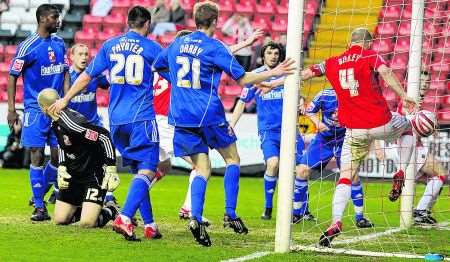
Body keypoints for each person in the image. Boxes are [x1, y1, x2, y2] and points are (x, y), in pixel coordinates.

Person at [152, 1, 295, 246]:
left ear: (196, 20)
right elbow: (244, 79)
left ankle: (195, 217)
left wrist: (177, 82)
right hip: (208, 115)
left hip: (181, 116)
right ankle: (229, 212)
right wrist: (275, 71)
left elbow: (157, 65)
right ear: (215, 22)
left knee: (202, 169)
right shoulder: (214, 46)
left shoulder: (177, 43)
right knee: (232, 159)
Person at [49, 6, 163, 241]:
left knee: (138, 171)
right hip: (141, 117)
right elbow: (175, 74)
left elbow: (86, 76)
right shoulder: (152, 48)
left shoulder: (110, 45)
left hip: (117, 122)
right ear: (147, 25)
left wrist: (65, 99)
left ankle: (150, 224)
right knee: (149, 168)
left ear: (128, 22)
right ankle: (124, 217)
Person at [300, 27, 418, 246]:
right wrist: (404, 96)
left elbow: (306, 74)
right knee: (410, 128)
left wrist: (277, 82)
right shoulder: (370, 54)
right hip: (381, 122)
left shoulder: (332, 62)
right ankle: (400, 170)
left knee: (345, 176)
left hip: (354, 130)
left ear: (350, 41)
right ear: (368, 43)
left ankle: (335, 222)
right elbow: (385, 72)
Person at [151, 29, 264, 220]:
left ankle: (128, 205)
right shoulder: (183, 71)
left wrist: (245, 43)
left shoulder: (173, 63)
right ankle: (189, 209)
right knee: (201, 167)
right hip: (168, 123)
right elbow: (212, 55)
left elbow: (214, 53)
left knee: (161, 166)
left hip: (154, 121)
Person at [230, 41, 312, 223]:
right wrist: (232, 124)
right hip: (269, 130)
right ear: (263, 55)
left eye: (276, 53)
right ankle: (268, 207)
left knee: (302, 169)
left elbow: (299, 95)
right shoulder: (256, 76)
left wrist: (300, 101)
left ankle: (304, 209)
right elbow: (242, 102)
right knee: (273, 164)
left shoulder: (287, 74)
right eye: (269, 53)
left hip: (291, 130)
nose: (273, 56)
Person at [7, 4, 70, 221]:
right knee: (36, 155)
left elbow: (65, 73)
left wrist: (67, 100)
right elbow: (12, 76)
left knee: (56, 156)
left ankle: (38, 195)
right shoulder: (28, 46)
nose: (58, 21)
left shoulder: (60, 43)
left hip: (57, 109)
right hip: (35, 109)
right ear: (43, 19)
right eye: (54, 17)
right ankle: (40, 208)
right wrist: (12, 109)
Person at [37, 88, 120, 228]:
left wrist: (111, 168)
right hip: (74, 174)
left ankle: (111, 210)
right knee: (60, 220)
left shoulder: (73, 124)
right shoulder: (56, 121)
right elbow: (64, 144)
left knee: (87, 223)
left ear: (45, 108)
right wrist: (62, 166)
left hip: (93, 174)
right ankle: (87, 209)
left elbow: (104, 136)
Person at [297, 88, 374, 228]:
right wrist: (318, 123)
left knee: (353, 176)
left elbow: (366, 118)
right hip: (324, 140)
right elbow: (310, 110)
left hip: (345, 139)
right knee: (302, 170)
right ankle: (296, 214)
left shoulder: (355, 95)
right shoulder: (324, 94)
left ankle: (360, 218)